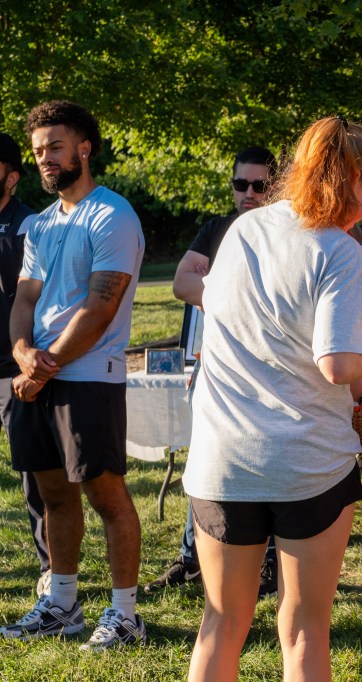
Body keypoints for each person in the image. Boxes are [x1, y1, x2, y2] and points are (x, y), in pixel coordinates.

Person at [181, 116, 362, 681]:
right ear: (350, 178)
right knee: (305, 627)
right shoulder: (339, 251)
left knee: (220, 622)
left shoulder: (245, 229)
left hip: (223, 459)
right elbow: (338, 365)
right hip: (308, 463)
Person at [0, 101, 146, 649]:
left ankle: (126, 615)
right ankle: (62, 605)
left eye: (55, 148)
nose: (45, 159)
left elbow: (100, 308)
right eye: (38, 151)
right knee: (53, 496)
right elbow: (24, 298)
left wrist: (42, 368)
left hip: (89, 378)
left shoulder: (113, 215)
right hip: (38, 376)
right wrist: (22, 351)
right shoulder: (40, 223)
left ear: (84, 149)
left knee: (107, 497)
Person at [146, 146, 278, 595]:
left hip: (272, 370)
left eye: (260, 185)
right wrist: (243, 295)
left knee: (267, 460)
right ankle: (192, 558)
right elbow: (182, 283)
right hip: (216, 364)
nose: (249, 193)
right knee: (205, 460)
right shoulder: (216, 229)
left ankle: (269, 560)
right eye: (241, 184)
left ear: (275, 187)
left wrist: (217, 287)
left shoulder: (284, 232)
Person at [0, 132, 50, 596]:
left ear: (12, 177)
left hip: (12, 368)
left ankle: (52, 568)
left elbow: (31, 296)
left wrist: (27, 361)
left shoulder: (28, 224)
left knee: (34, 474)